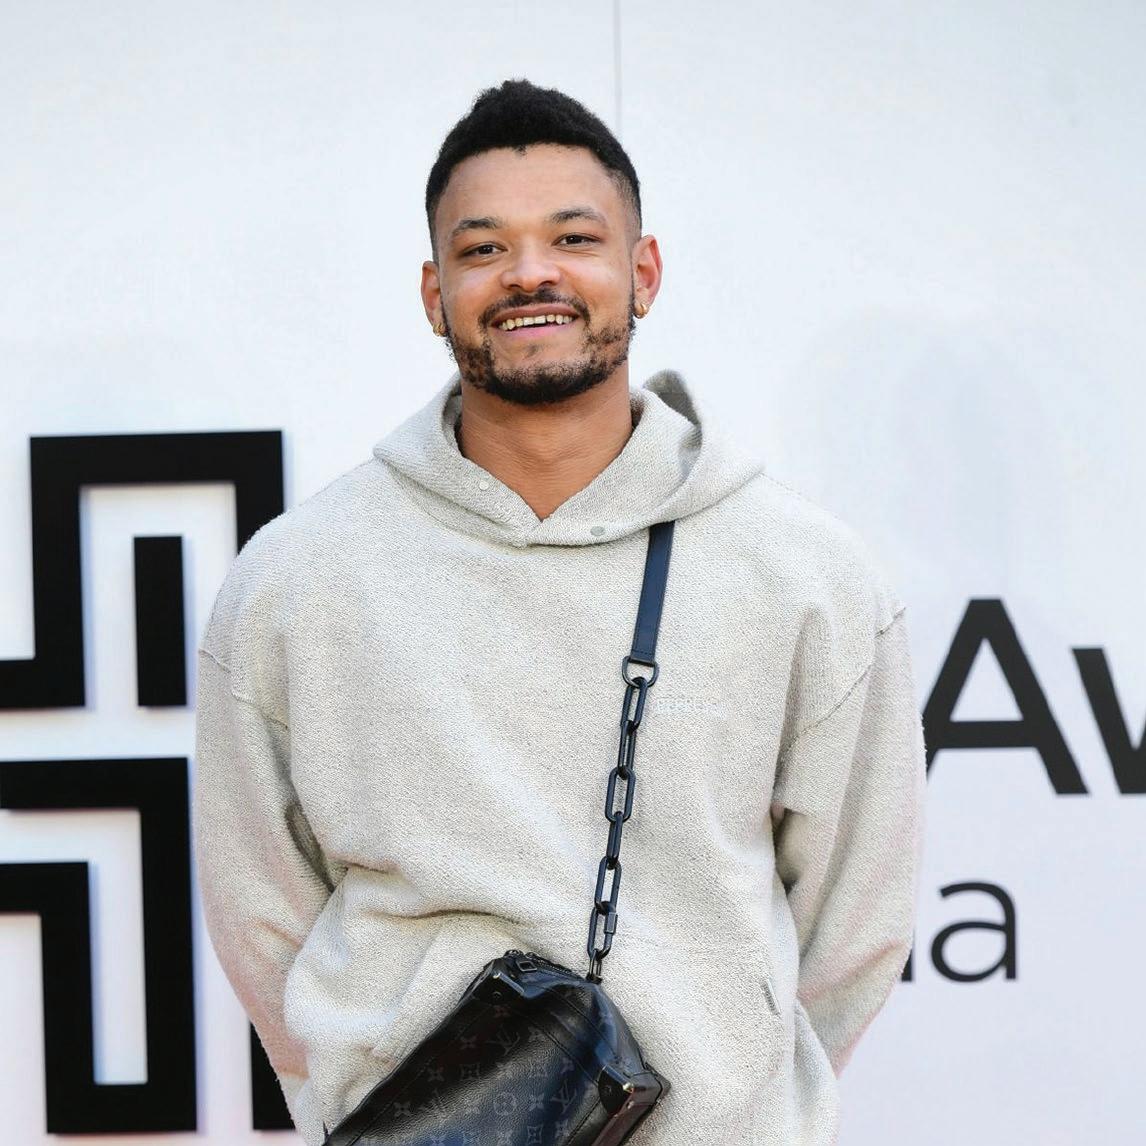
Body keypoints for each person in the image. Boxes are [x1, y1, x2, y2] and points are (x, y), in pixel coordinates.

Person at [194, 78, 926, 1145]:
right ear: (434, 293)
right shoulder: (297, 578)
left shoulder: (803, 572)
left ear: (643, 271)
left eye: (573, 238)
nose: (530, 272)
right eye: (483, 247)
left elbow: (855, 925)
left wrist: (736, 1095)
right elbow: (260, 913)